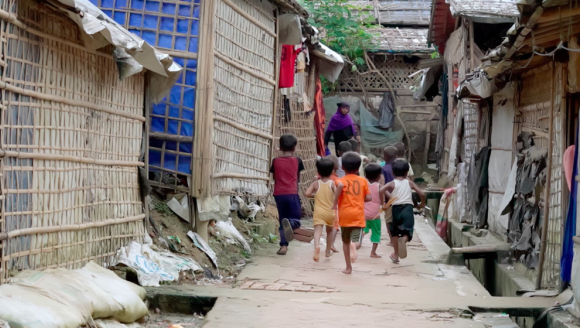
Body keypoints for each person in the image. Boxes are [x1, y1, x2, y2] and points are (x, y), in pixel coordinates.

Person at [331, 152, 372, 274]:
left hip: (344, 216)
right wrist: (360, 198)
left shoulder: (339, 181)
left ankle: (348, 267)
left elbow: (336, 193)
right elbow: (369, 198)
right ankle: (355, 246)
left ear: (342, 167)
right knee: (357, 241)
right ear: (359, 167)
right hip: (357, 216)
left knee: (345, 242)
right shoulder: (363, 181)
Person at [380, 159, 425, 264]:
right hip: (407, 209)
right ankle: (404, 240)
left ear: (393, 173)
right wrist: (421, 204)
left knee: (394, 232)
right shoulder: (409, 182)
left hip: (396, 209)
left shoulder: (392, 183)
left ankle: (396, 255)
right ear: (406, 173)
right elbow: (422, 194)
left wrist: (383, 204)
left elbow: (381, 190)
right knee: (408, 230)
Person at [270, 134, 304, 256]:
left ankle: (283, 247)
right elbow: (298, 179)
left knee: (282, 220)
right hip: (292, 193)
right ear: (294, 148)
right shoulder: (297, 161)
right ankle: (290, 222)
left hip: (279, 194)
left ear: (280, 147)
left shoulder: (275, 161)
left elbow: (275, 178)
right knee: (296, 220)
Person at [306, 158, 337, 262]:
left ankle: (317, 246)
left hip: (319, 211)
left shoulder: (316, 184)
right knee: (329, 231)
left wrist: (314, 195)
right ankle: (328, 251)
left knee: (317, 231)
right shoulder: (332, 183)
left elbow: (307, 193)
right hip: (330, 211)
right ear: (332, 171)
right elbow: (337, 194)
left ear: (318, 171)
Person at [363, 164, 383, 258]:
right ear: (379, 176)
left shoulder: (364, 185)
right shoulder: (379, 186)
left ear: (365, 175)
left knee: (364, 229)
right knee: (376, 233)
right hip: (375, 214)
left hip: (364, 213)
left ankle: (356, 242)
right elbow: (385, 196)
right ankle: (373, 252)